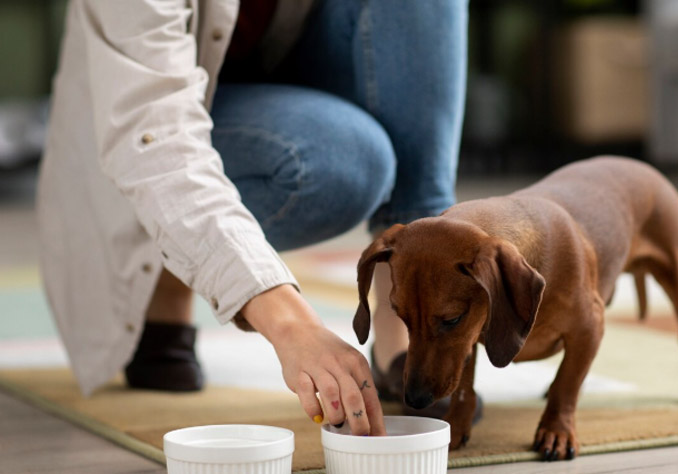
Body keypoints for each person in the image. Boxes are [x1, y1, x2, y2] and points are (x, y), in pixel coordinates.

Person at [36, 0, 468, 436]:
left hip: (287, 74)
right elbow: (155, 139)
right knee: (348, 163)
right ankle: (164, 277)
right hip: (151, 126)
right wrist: (292, 324)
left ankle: (403, 331)